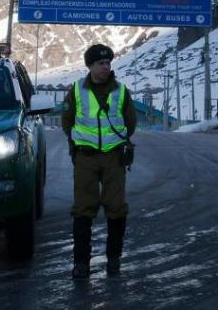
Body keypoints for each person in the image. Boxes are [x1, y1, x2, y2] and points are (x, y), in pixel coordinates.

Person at [61, 43, 137, 279]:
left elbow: (130, 122)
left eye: (108, 63)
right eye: (101, 63)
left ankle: (114, 261)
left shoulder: (121, 91)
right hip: (86, 158)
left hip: (114, 158)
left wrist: (119, 142)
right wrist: (78, 143)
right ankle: (81, 263)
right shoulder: (76, 90)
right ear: (90, 66)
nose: (106, 67)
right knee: (83, 209)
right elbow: (67, 121)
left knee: (116, 209)